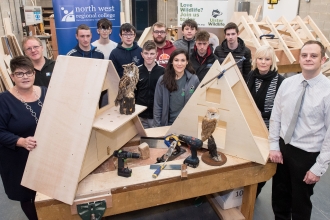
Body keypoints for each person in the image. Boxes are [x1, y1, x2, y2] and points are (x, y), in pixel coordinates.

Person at [269, 40, 330, 220]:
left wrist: (319, 167)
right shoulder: (287, 83)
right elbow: (276, 115)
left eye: (313, 56)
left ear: (323, 59)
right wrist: (274, 146)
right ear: (299, 58)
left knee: (300, 203)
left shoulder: (327, 91)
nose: (308, 59)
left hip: (307, 154)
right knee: (280, 197)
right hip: (283, 147)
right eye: (304, 55)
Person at [0, 56, 47, 220]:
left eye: (28, 72)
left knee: (49, 192)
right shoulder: (4, 101)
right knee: (28, 197)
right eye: (19, 74)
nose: (25, 76)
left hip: (46, 155)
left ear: (34, 73)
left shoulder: (45, 91)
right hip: (19, 159)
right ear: (12, 77)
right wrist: (20, 141)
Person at [246, 45, 284, 198]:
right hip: (250, 127)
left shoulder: (280, 81)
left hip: (268, 130)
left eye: (267, 59)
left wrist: (262, 114)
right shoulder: (251, 75)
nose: (263, 62)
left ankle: (254, 193)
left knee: (262, 165)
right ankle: (245, 192)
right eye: (260, 58)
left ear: (272, 61)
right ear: (255, 60)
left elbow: (281, 110)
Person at [153, 48, 200, 127]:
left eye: (182, 60)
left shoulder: (194, 79)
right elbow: (158, 106)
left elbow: (198, 104)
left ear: (187, 62)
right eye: (176, 60)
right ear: (171, 62)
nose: (179, 64)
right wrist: (157, 127)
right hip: (167, 125)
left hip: (186, 125)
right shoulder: (163, 80)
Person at [135, 40, 164, 128]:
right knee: (142, 140)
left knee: (155, 139)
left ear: (156, 54)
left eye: (152, 54)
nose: (149, 56)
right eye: (146, 53)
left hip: (156, 116)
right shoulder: (136, 71)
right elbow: (133, 92)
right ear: (142, 54)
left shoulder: (163, 71)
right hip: (140, 115)